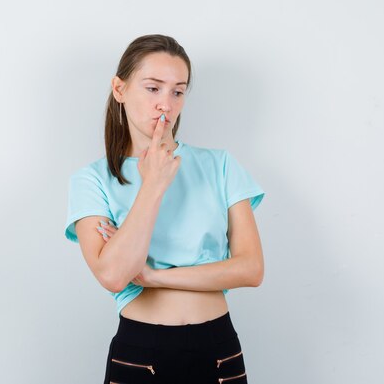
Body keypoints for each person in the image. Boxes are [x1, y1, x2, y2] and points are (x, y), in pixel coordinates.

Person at [64, 34, 265, 384]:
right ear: (120, 89)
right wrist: (153, 184)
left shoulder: (220, 165)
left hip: (218, 348)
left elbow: (250, 269)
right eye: (153, 88)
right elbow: (112, 275)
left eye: (177, 91)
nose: (166, 104)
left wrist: (153, 277)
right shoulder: (92, 179)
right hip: (141, 353)